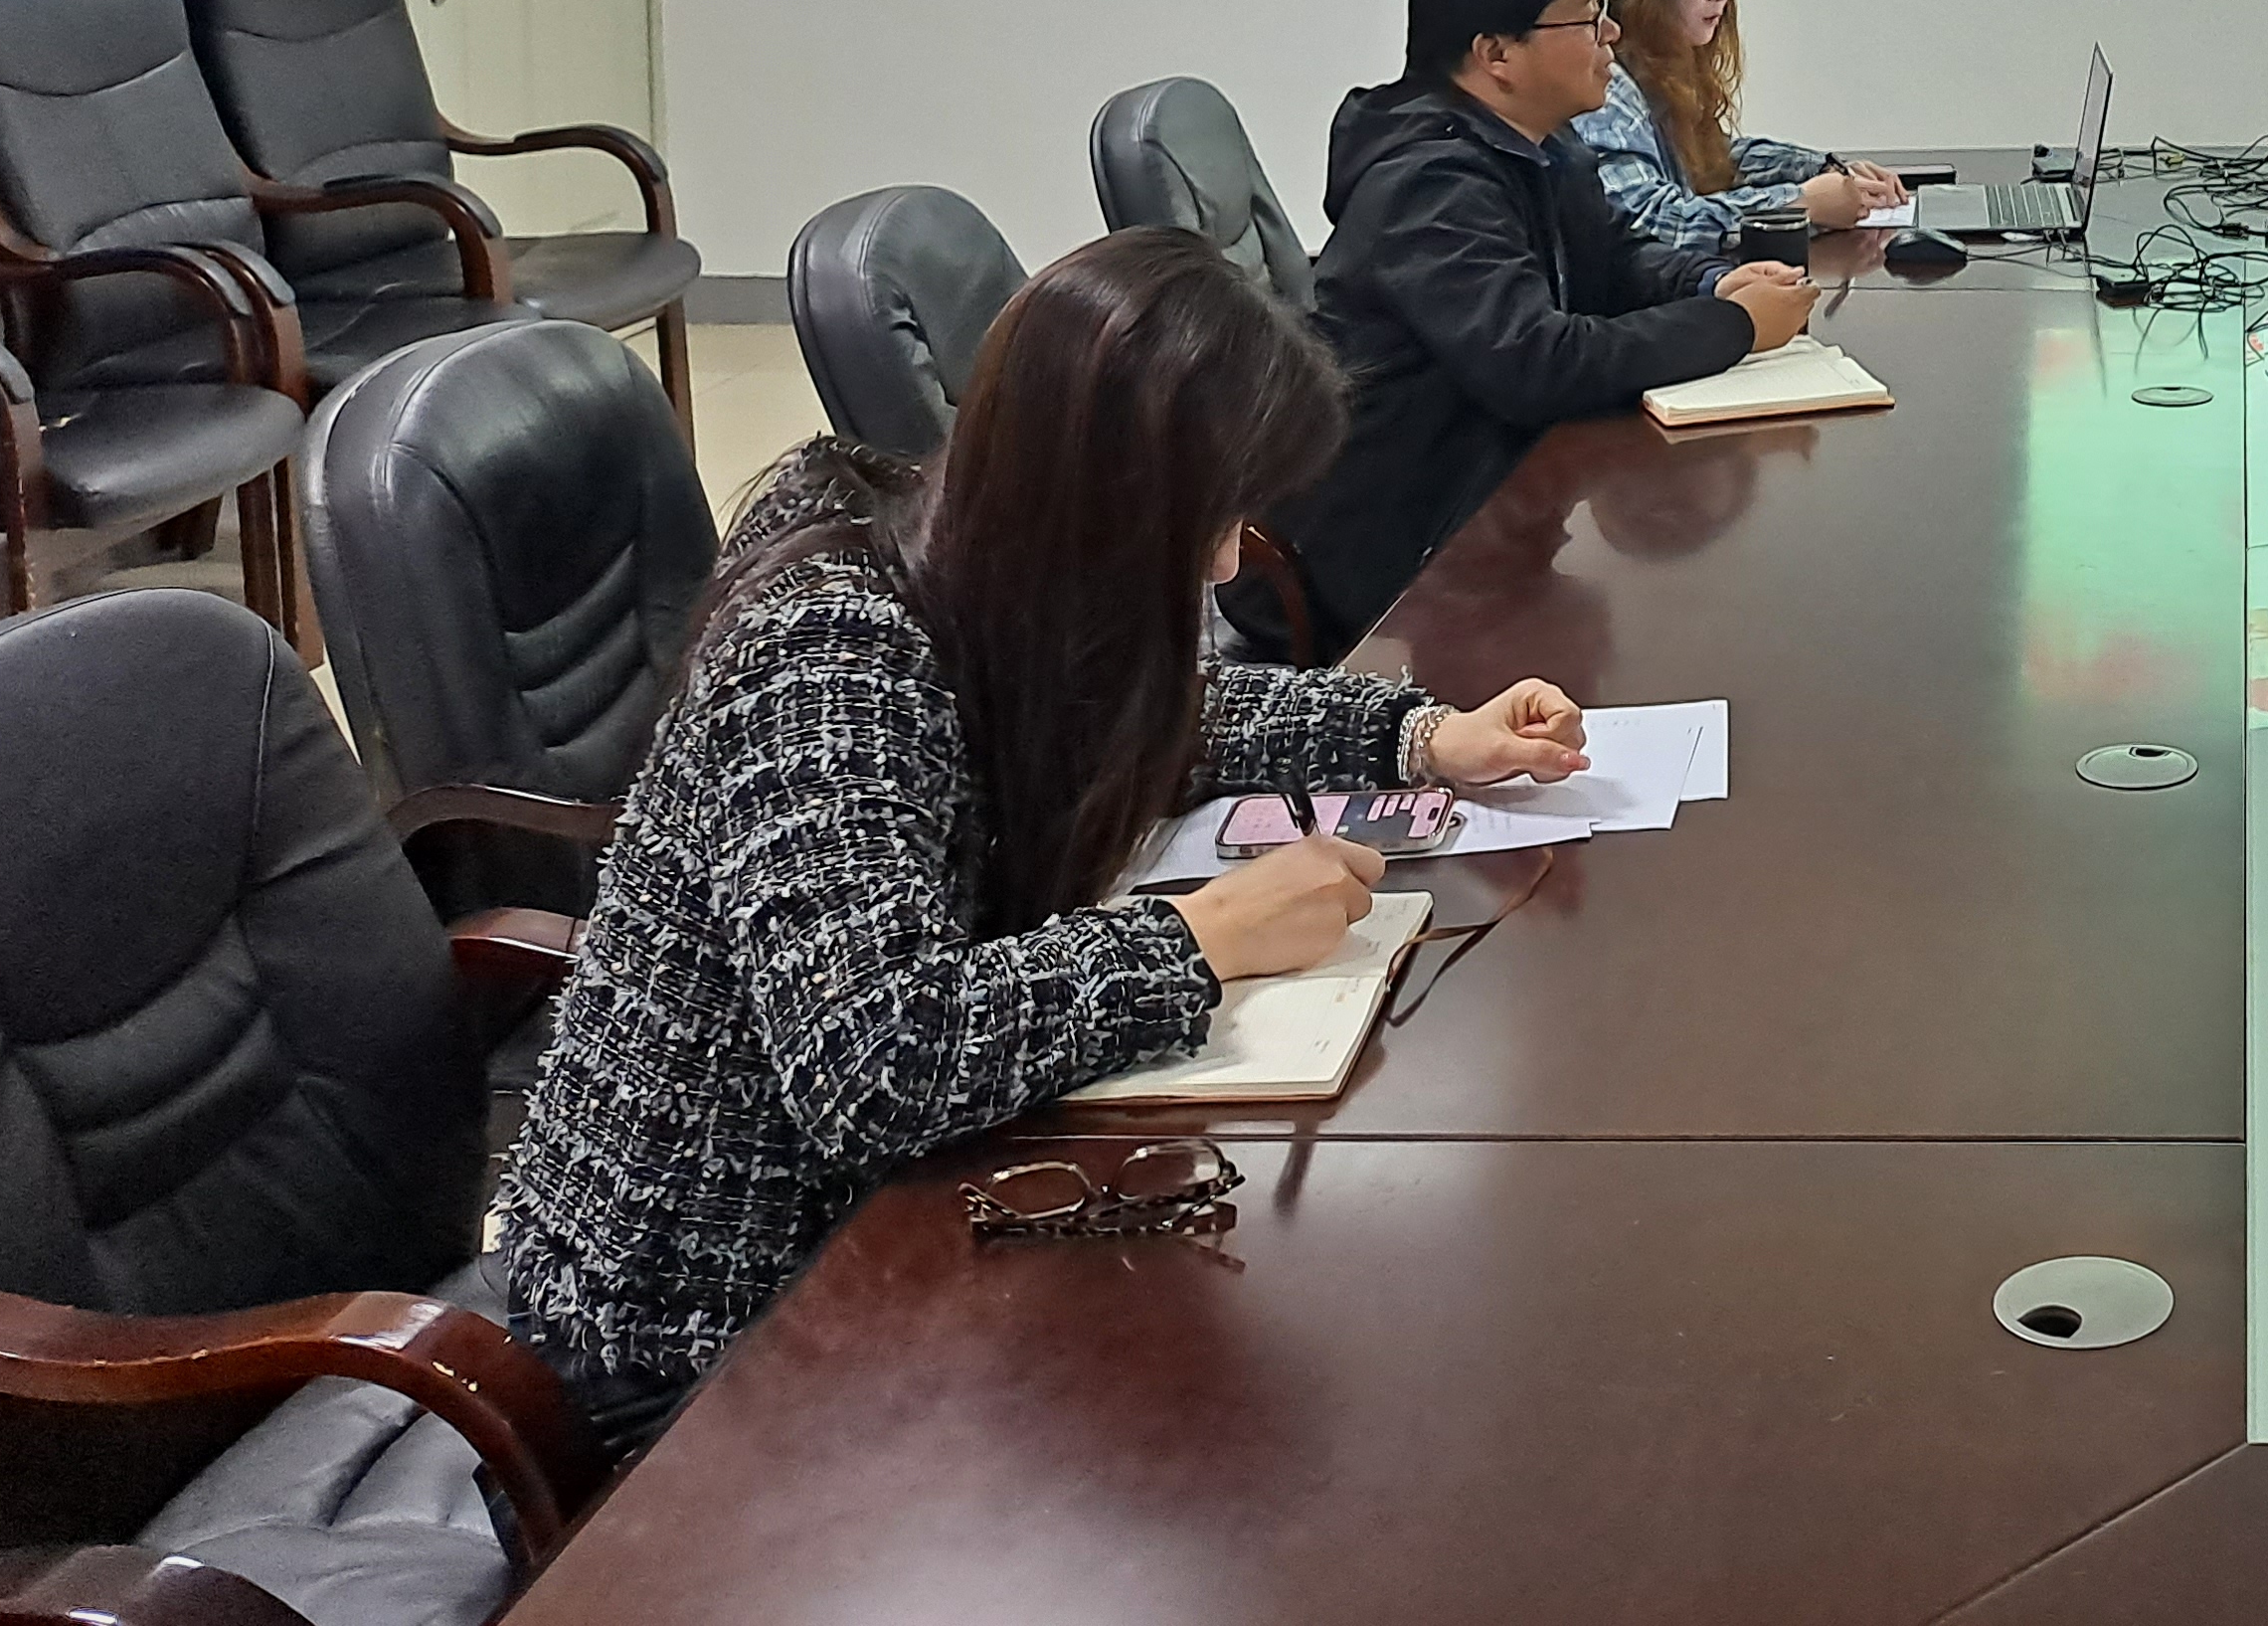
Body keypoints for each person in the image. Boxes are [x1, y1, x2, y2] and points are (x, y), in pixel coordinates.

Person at [495, 228, 1595, 1452]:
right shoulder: (828, 653)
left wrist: (1418, 736)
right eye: (1212, 520)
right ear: (1113, 496)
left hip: (886, 1219)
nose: (1227, 561)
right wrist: (1192, 942)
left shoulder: (982, 562)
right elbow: (875, 1057)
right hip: (694, 1328)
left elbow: (1146, 714)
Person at [1242, 0, 1815, 658]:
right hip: (1387, 561)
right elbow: (1537, 364)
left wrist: (1712, 285)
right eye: (1588, 16)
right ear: (1497, 54)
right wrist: (1734, 325)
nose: (1612, 32)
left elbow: (1615, 260)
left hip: (1488, 509)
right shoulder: (1429, 185)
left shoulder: (1540, 144)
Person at [1575, 0, 1907, 256]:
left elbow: (1714, 160)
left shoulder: (1655, 70)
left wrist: (1822, 169)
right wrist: (1800, 204)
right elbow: (1650, 218)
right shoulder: (1605, 84)